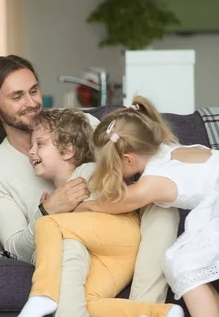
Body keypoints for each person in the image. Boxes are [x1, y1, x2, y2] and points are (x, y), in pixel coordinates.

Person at [0, 55, 178, 316]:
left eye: (34, 90)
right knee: (68, 241)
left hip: (116, 229)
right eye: (17, 97)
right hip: (67, 250)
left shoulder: (78, 123)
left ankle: (146, 305)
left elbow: (131, 158)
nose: (32, 103)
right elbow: (15, 249)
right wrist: (47, 211)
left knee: (163, 206)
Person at [77, 96, 219, 317]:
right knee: (192, 269)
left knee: (183, 266)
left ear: (128, 160)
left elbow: (115, 203)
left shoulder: (152, 182)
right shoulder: (166, 150)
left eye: (108, 165)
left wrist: (85, 207)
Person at [18, 109, 183, 317]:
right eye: (31, 145)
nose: (31, 151)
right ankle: (159, 313)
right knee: (86, 302)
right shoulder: (57, 195)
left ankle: (42, 294)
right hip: (112, 260)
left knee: (48, 224)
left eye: (39, 144)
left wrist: (56, 213)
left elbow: (107, 205)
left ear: (68, 150)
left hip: (121, 235)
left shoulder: (88, 171)